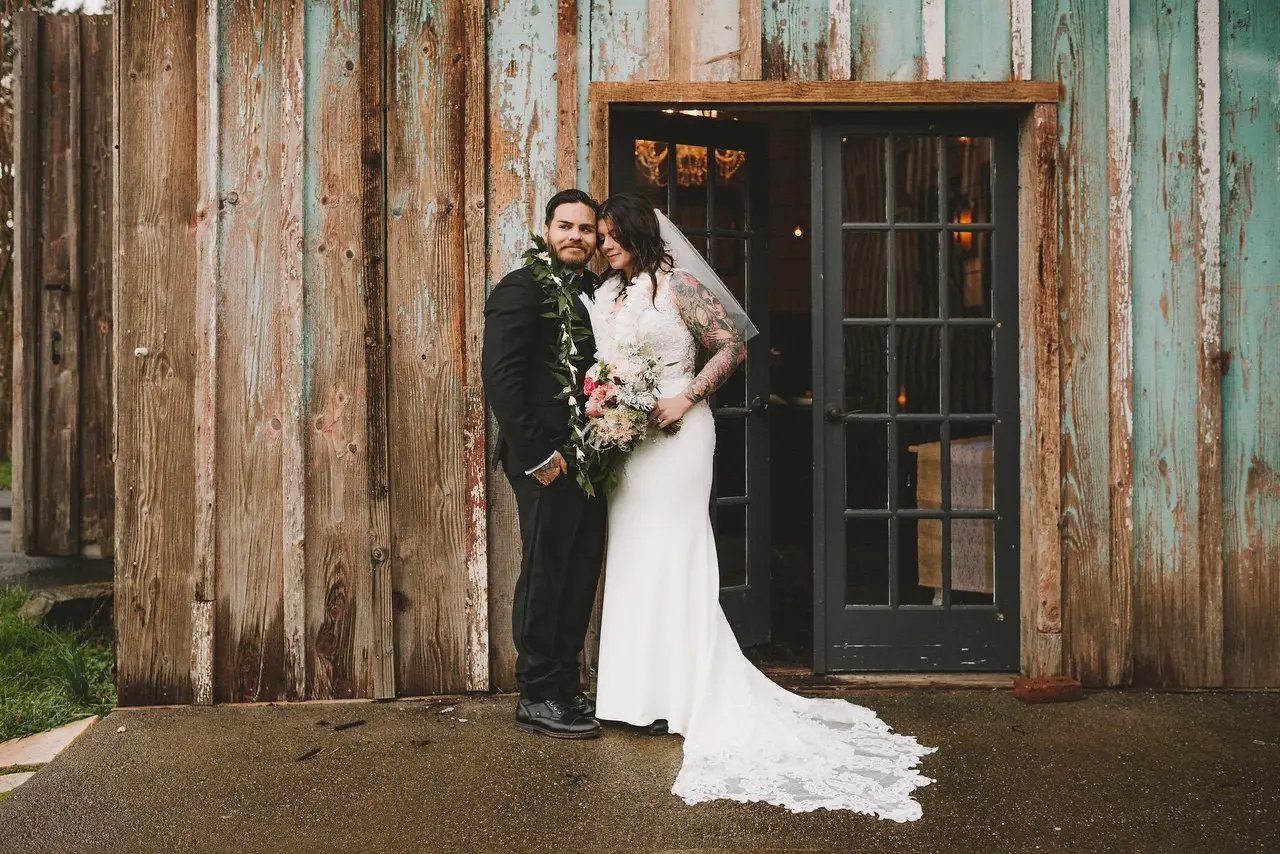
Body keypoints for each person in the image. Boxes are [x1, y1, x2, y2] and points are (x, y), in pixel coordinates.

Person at [590, 193, 935, 819]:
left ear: (640, 234)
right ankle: (633, 696)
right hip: (627, 438)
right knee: (635, 555)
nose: (604, 245)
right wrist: (606, 403)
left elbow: (732, 346)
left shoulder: (681, 286)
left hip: (677, 431)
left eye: (613, 235)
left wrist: (685, 398)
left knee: (678, 549)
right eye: (601, 237)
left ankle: (690, 693)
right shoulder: (612, 295)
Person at [481, 189, 605, 739]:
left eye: (586, 228)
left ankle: (564, 687)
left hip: (590, 456)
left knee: (579, 573)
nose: (575, 236)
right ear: (547, 230)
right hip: (544, 459)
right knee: (546, 572)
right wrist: (537, 458)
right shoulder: (520, 289)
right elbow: (501, 382)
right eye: (566, 226)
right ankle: (535, 694)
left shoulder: (596, 294)